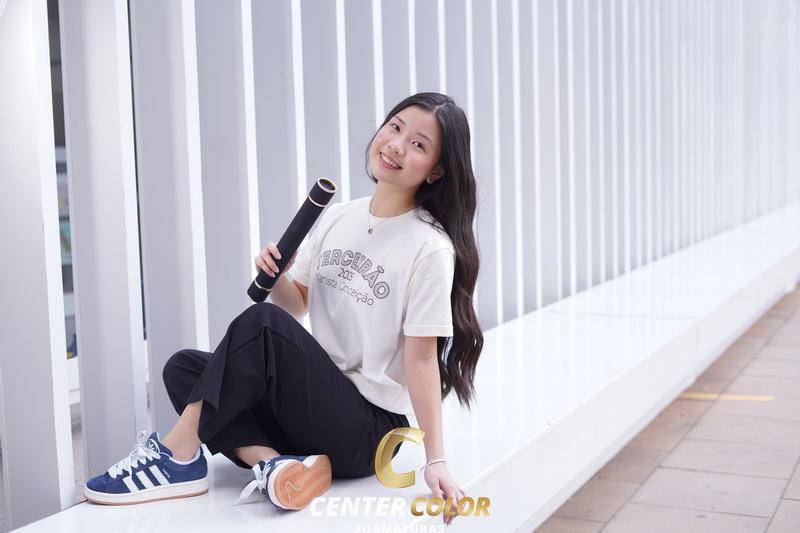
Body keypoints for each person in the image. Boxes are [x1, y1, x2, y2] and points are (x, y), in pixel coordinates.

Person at [83, 92, 484, 523]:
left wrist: (435, 459)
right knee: (184, 369)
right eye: (396, 127)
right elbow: (298, 306)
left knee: (261, 326)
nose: (397, 145)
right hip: (315, 408)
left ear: (436, 170)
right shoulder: (339, 217)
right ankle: (276, 465)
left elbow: (421, 359)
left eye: (419, 144)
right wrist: (278, 278)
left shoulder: (429, 247)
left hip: (369, 432)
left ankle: (177, 455)